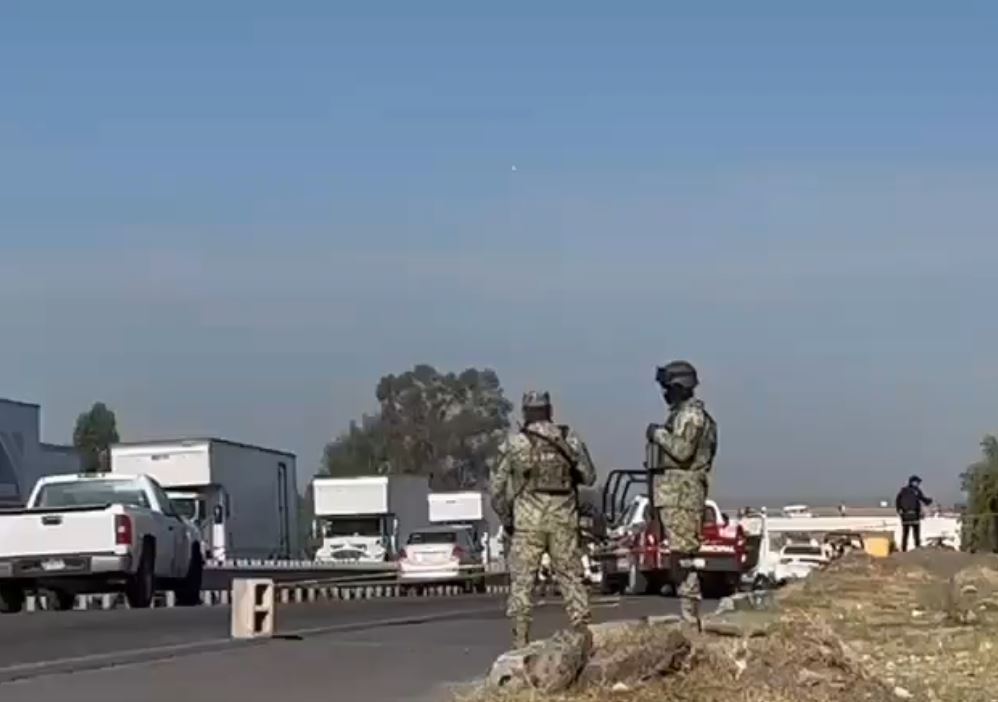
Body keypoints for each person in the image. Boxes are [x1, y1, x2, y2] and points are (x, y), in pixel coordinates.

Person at [488, 390, 597, 650]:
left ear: (526, 413)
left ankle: (520, 642)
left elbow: (496, 488)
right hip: (564, 522)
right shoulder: (569, 439)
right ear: (550, 410)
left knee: (523, 583)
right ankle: (583, 635)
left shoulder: (515, 444)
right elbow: (589, 476)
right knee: (571, 578)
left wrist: (507, 517)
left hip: (527, 524)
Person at [646, 360, 718, 630]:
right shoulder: (684, 415)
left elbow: (682, 451)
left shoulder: (691, 417)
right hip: (676, 495)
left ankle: (690, 619)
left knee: (683, 558)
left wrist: (658, 435)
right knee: (678, 558)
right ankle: (688, 616)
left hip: (683, 496)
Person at [895, 475, 933, 551]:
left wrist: (900, 511)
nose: (918, 484)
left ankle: (907, 549)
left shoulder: (905, 491)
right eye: (917, 482)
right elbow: (923, 499)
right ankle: (912, 548)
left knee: (909, 533)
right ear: (912, 482)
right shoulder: (913, 491)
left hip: (909, 515)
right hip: (911, 515)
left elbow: (897, 501)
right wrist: (929, 501)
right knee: (912, 533)